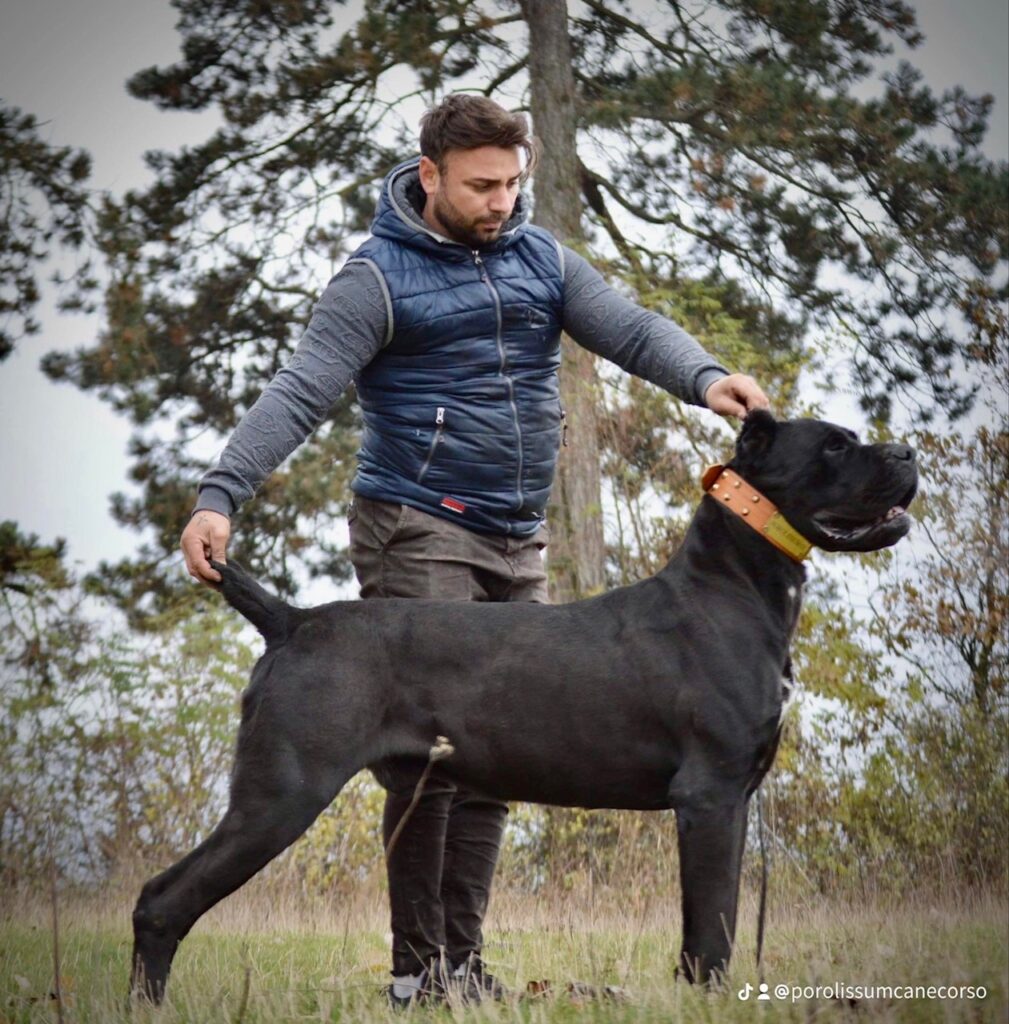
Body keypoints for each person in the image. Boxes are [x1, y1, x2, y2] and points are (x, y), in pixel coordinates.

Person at [181, 94, 769, 1007]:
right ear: (430, 176)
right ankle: (420, 971)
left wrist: (702, 374)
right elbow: (298, 393)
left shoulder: (540, 257)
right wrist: (221, 494)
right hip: (417, 522)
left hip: (512, 530)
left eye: (511, 182)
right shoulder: (374, 280)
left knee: (499, 751)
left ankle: (464, 964)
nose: (500, 201)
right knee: (428, 761)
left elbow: (629, 327)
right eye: (480, 185)